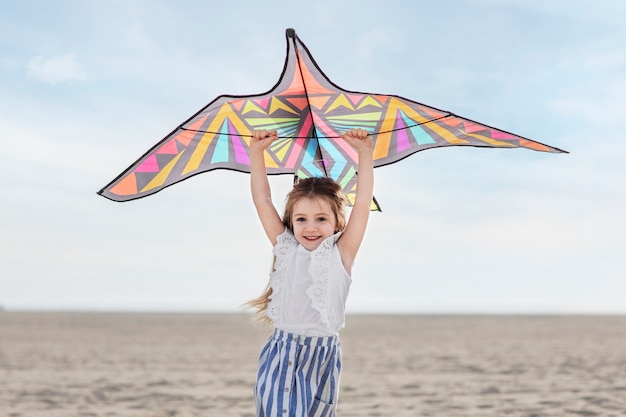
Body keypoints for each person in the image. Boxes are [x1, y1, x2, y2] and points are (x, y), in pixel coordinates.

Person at [247, 128, 374, 417]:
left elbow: (363, 205)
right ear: (291, 221)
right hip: (284, 355)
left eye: (320, 219)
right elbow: (262, 201)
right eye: (301, 219)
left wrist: (364, 154)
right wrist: (257, 154)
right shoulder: (287, 247)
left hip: (325, 357)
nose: (311, 227)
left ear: (337, 222)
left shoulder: (341, 253)